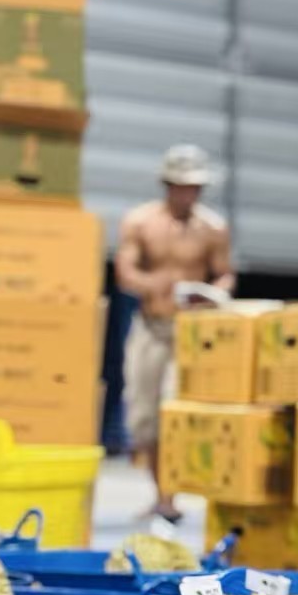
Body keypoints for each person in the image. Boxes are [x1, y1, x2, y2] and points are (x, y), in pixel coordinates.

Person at [115, 144, 236, 519]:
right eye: (181, 186)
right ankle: (161, 493)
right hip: (152, 326)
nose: (188, 194)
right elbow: (125, 270)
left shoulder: (212, 229)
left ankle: (172, 495)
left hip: (190, 332)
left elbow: (224, 272)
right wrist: (151, 284)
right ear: (167, 185)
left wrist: (217, 294)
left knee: (177, 412)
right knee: (145, 413)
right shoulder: (141, 222)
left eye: (195, 187)